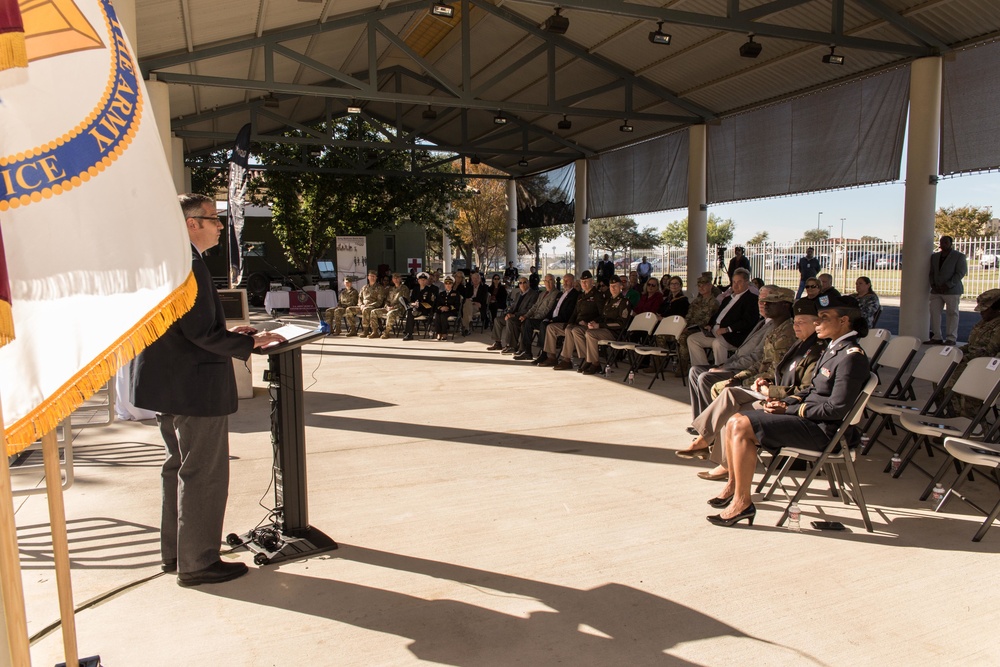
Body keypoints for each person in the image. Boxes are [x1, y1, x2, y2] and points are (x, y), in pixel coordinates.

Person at [132, 193, 285, 587]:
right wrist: (248, 344)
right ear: (191, 223)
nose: (221, 226)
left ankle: (176, 554)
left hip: (168, 384)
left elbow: (185, 328)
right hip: (193, 388)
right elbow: (198, 333)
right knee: (202, 473)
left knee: (177, 469)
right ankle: (199, 562)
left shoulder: (167, 259)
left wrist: (230, 334)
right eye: (214, 219)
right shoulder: (189, 265)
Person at [707, 295, 870, 527]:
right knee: (735, 419)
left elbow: (837, 409)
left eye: (824, 318)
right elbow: (812, 390)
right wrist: (785, 403)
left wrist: (792, 410)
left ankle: (742, 503)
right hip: (811, 421)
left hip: (825, 431)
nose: (817, 323)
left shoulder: (851, 357)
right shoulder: (835, 349)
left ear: (844, 321)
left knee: (743, 425)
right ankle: (735, 488)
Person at [675, 299, 825, 477]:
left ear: (816, 324)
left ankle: (715, 452)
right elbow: (773, 368)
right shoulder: (800, 344)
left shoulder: (815, 350)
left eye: (802, 322)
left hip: (785, 403)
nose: (796, 325)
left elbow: (805, 390)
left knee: (733, 407)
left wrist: (770, 390)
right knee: (729, 394)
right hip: (770, 389)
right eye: (796, 321)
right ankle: (708, 443)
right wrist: (762, 380)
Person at [687, 285, 774, 422]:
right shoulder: (762, 322)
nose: (762, 305)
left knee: (705, 377)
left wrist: (724, 368)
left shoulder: (774, 326)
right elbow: (741, 352)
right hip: (735, 363)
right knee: (695, 371)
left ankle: (709, 424)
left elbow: (756, 358)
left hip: (745, 370)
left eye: (767, 301)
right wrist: (724, 364)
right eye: (760, 301)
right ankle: (700, 420)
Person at [687, 268, 760, 368]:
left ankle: (720, 372)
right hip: (715, 332)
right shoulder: (727, 298)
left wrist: (727, 329)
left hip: (732, 335)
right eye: (733, 282)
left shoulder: (751, 299)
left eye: (739, 282)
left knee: (718, 343)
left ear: (747, 283)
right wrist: (710, 324)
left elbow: (748, 321)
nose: (735, 285)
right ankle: (702, 369)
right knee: (692, 339)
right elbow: (717, 315)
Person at [945, 289, 1000, 418]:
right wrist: (957, 352)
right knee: (943, 376)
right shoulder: (983, 324)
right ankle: (952, 415)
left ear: (997, 309)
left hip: (988, 368)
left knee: (955, 380)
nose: (981, 313)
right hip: (973, 363)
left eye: (985, 309)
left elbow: (989, 352)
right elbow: (972, 346)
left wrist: (965, 358)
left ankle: (968, 422)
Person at [545, 270, 606, 370]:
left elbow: (602, 314)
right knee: (552, 327)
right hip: (576, 324)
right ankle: (551, 357)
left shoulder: (597, 295)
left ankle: (571, 360)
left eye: (586, 281)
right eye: (582, 281)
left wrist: (590, 322)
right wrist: (569, 323)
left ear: (592, 282)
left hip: (588, 326)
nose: (584, 283)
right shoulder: (581, 296)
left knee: (571, 330)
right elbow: (574, 313)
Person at [576, 275, 632, 374]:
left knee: (590, 334)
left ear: (621, 287)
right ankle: (590, 361)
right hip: (604, 330)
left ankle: (595, 363)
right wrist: (594, 322)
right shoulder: (608, 301)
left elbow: (621, 324)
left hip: (614, 332)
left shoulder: (624, 302)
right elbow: (602, 317)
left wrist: (600, 326)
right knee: (586, 331)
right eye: (611, 286)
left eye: (615, 286)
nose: (613, 288)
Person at [676, 275, 720, 376]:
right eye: (699, 286)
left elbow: (707, 320)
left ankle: (683, 367)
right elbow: (689, 315)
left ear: (710, 286)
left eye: (704, 285)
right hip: (689, 327)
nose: (701, 288)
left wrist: (688, 329)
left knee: (683, 337)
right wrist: (683, 326)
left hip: (701, 329)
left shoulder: (713, 302)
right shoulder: (696, 301)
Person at [532, 274, 579, 365]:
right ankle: (542, 353)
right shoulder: (562, 294)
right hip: (554, 319)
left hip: (562, 321)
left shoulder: (574, 295)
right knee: (541, 322)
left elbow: (568, 313)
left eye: (567, 281)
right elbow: (553, 309)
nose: (565, 282)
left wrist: (553, 320)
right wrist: (548, 318)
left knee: (546, 325)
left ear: (573, 282)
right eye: (564, 280)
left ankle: (546, 354)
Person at [929, 235, 967, 346]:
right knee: (934, 313)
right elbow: (932, 272)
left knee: (952, 314)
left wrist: (948, 284)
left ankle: (951, 338)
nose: (943, 244)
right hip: (936, 291)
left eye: (945, 242)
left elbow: (960, 272)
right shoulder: (935, 257)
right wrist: (933, 284)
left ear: (951, 243)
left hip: (952, 290)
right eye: (941, 242)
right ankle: (936, 336)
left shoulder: (959, 256)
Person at [515, 273, 560, 360]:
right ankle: (525, 350)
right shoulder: (542, 293)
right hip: (535, 317)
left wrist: (534, 318)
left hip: (543, 319)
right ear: (544, 282)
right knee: (524, 321)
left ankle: (528, 351)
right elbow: (534, 306)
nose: (548, 283)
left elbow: (548, 309)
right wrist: (526, 315)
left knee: (528, 323)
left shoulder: (556, 293)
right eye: (546, 281)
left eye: (550, 281)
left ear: (554, 282)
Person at [487, 276, 538, 352]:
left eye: (524, 282)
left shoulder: (533, 294)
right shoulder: (518, 294)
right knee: (497, 320)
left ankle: (511, 346)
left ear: (528, 284)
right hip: (513, 315)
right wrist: (508, 313)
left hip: (523, 317)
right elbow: (512, 307)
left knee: (510, 320)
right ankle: (497, 343)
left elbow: (529, 309)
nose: (522, 284)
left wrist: (514, 315)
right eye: (520, 283)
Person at [402, 272, 438, 341]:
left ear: (427, 281)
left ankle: (408, 333)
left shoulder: (430, 290)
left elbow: (430, 303)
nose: (422, 281)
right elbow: (412, 299)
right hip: (414, 308)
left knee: (410, 312)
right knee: (410, 311)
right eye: (421, 280)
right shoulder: (415, 289)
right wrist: (413, 304)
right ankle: (409, 334)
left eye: (424, 280)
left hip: (424, 310)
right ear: (418, 281)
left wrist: (419, 304)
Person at [371, 273, 409, 339]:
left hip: (400, 309)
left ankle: (387, 332)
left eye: (397, 278)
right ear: (392, 279)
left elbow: (405, 302)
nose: (396, 279)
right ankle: (375, 332)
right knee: (374, 312)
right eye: (394, 278)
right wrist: (387, 306)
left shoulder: (404, 288)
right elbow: (387, 300)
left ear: (400, 279)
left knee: (391, 313)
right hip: (389, 308)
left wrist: (394, 307)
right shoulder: (391, 289)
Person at [357, 269, 387, 337]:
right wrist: (361, 305)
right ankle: (352, 330)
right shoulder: (364, 287)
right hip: (363, 306)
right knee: (349, 309)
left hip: (374, 306)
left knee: (366, 310)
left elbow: (379, 301)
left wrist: (368, 306)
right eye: (371, 276)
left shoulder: (379, 288)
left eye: (374, 276)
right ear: (368, 277)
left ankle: (368, 330)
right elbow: (360, 298)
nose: (372, 278)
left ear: (376, 278)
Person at [460, 270, 489, 336]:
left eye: (477, 278)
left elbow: (483, 298)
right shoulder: (469, 287)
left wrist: (472, 300)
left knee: (465, 308)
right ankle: (468, 324)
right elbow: (466, 297)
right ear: (471, 279)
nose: (475, 280)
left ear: (480, 279)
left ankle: (466, 327)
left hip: (478, 306)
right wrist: (473, 301)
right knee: (467, 304)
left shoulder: (484, 287)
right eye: (474, 278)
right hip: (472, 305)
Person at [434, 276, 462, 340]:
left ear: (452, 284)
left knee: (443, 315)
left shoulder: (456, 293)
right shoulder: (441, 294)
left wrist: (448, 307)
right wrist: (441, 308)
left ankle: (444, 333)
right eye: (446, 284)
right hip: (442, 310)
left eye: (450, 284)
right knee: (438, 314)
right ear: (444, 285)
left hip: (452, 311)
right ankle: (438, 332)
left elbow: (457, 305)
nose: (448, 285)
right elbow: (437, 303)